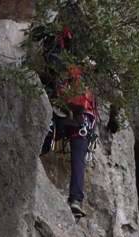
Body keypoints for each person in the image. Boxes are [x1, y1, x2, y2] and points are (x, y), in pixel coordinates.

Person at [38, 21, 98, 220]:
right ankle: (76, 200)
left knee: (47, 133)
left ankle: (37, 152)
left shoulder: (58, 51)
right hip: (82, 119)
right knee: (78, 158)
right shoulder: (90, 67)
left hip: (61, 113)